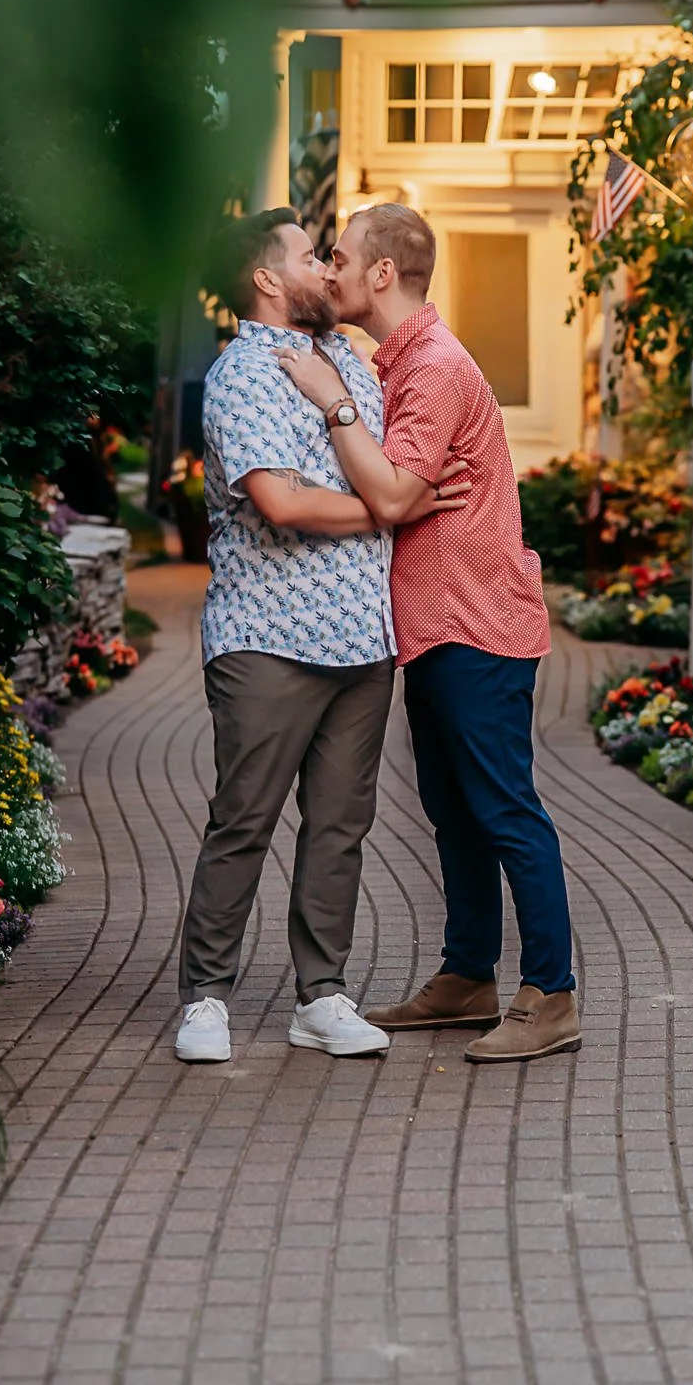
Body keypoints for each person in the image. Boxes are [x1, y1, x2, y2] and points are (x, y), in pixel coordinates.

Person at [278, 204, 579, 1064]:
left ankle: (551, 994)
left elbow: (398, 497)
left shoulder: (436, 368)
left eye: (339, 257)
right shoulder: (403, 363)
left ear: (383, 274)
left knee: (505, 811)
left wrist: (334, 404)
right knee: (455, 814)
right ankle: (468, 978)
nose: (328, 272)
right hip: (442, 628)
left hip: (476, 625)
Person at [175, 208, 468, 1065]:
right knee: (244, 821)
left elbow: (397, 474)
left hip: (361, 641)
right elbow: (283, 501)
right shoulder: (241, 376)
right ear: (270, 279)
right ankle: (205, 998)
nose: (329, 271)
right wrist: (382, 507)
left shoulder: (350, 363)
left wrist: (381, 484)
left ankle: (322, 996)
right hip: (266, 639)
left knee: (340, 825)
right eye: (313, 257)